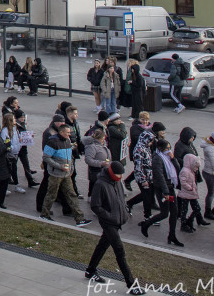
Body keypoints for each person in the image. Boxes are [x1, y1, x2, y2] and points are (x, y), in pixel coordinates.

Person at [85, 161, 145, 294]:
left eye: (121, 174)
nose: (120, 177)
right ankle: (131, 284)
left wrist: (124, 210)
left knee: (102, 245)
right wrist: (110, 216)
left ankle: (90, 270)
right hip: (108, 222)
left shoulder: (117, 182)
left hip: (117, 221)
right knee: (119, 251)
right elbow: (95, 206)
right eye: (117, 174)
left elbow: (120, 199)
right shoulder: (100, 184)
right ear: (111, 172)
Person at [41, 124, 91, 226]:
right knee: (51, 194)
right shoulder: (52, 142)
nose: (69, 134)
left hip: (66, 174)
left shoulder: (67, 141)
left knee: (72, 195)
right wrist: (60, 166)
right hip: (55, 174)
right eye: (68, 132)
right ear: (61, 132)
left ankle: (79, 218)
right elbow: (46, 157)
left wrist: (71, 168)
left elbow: (70, 156)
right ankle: (44, 214)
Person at [140, 139, 182, 246]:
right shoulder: (157, 159)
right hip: (163, 189)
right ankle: (146, 224)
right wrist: (165, 191)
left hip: (170, 187)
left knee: (174, 212)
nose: (169, 150)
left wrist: (173, 159)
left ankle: (172, 235)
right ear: (160, 148)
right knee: (164, 213)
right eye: (167, 148)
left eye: (169, 148)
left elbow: (177, 169)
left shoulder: (168, 157)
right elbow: (159, 176)